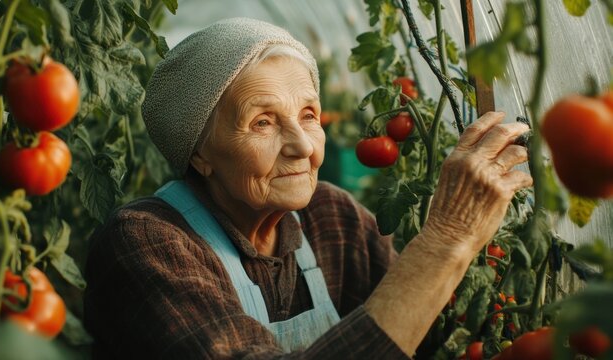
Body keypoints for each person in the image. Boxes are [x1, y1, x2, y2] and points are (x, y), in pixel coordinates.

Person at [83, 17, 532, 359]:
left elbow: (427, 335)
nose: (302, 146)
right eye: (262, 122)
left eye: (309, 115)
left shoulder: (331, 217)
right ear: (198, 153)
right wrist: (446, 239)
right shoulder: (148, 244)